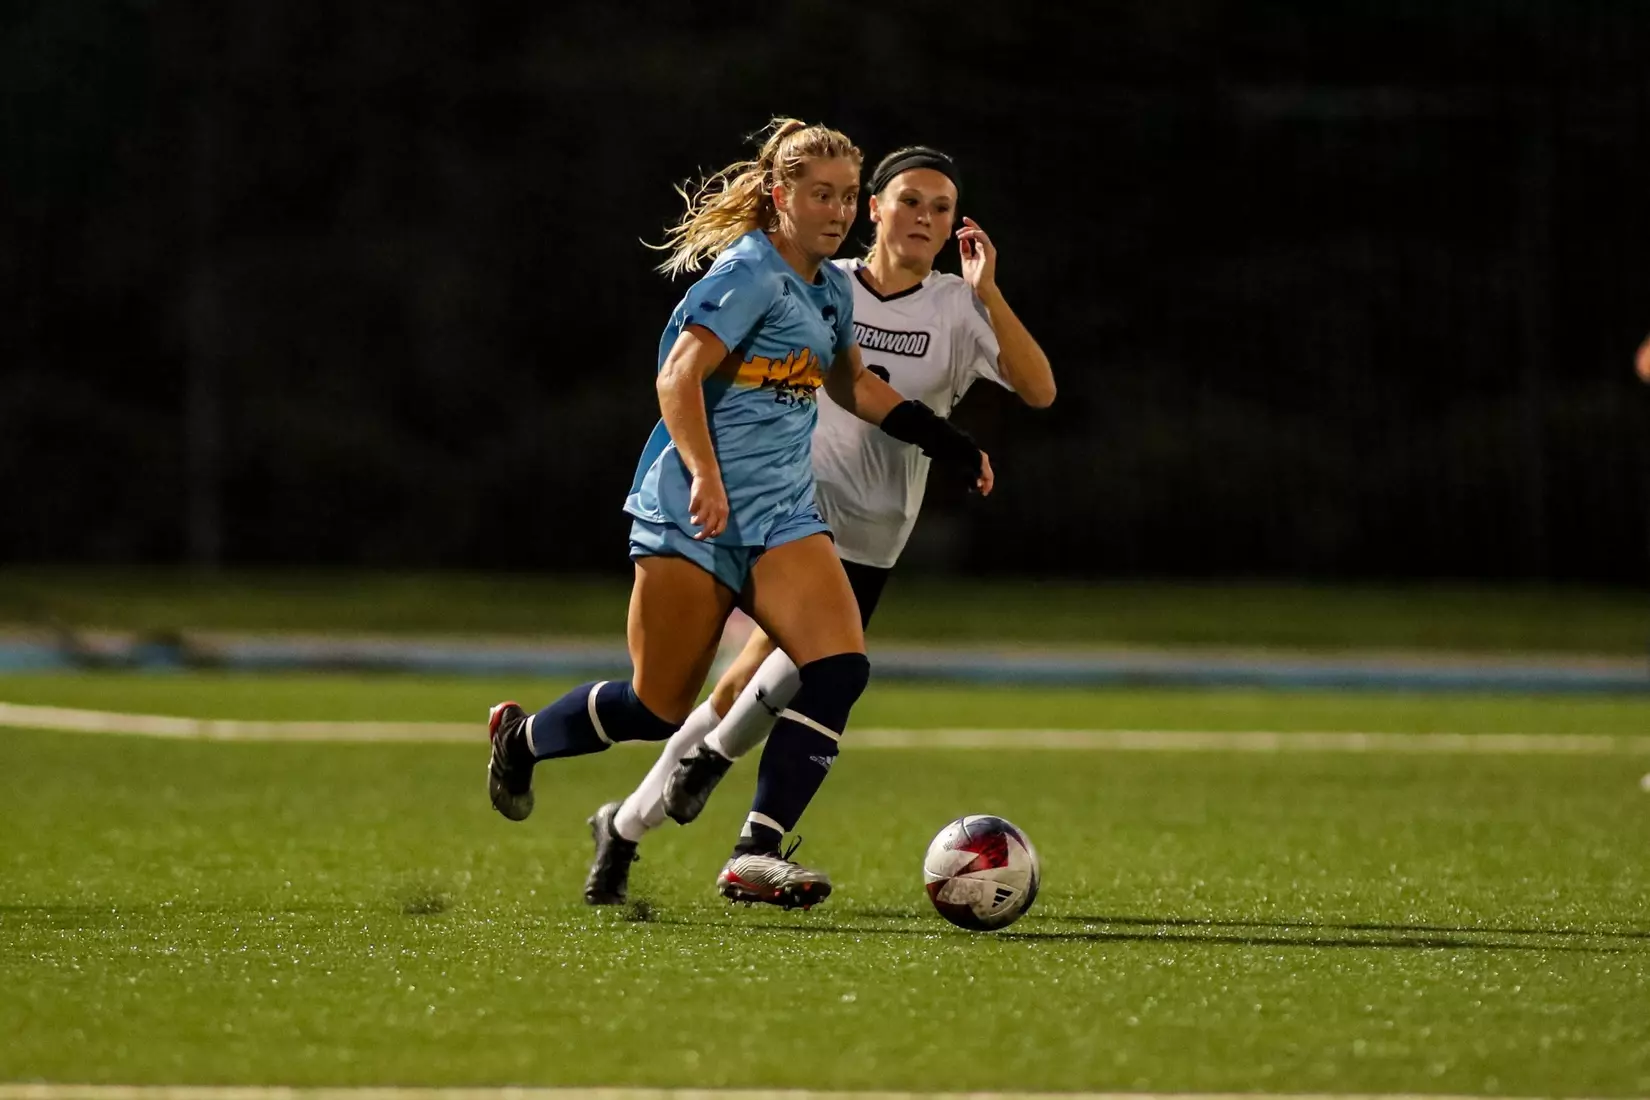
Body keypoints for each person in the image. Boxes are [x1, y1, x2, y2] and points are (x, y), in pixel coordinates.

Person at [484, 120, 992, 911]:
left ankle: (757, 849)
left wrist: (943, 439)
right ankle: (521, 740)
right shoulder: (748, 273)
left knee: (838, 667)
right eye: (819, 193)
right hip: (693, 517)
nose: (836, 209)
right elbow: (677, 381)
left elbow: (850, 384)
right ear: (779, 195)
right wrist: (705, 477)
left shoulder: (829, 287)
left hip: (783, 517)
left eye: (847, 196)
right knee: (658, 708)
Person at [584, 145, 1054, 906]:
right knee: (770, 683)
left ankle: (630, 824)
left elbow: (1038, 389)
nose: (924, 218)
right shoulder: (818, 279)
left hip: (875, 531)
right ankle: (747, 839)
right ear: (873, 207)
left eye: (941, 207)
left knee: (758, 694)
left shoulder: (957, 308)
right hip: (790, 512)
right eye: (909, 200)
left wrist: (988, 293)